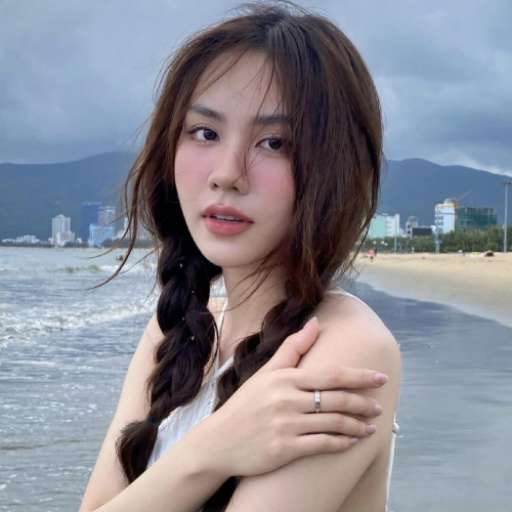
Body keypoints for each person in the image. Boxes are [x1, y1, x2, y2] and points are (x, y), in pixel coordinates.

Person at [79, 2, 401, 511]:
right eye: (205, 133)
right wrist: (209, 451)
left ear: (334, 169)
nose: (228, 173)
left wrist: (205, 454)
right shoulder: (177, 331)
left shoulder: (346, 349)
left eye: (274, 143)